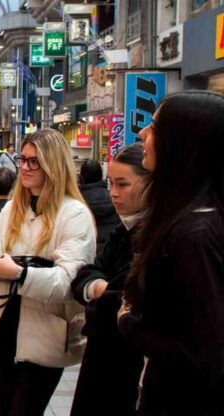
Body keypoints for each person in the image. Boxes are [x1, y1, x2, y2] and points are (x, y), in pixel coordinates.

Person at [0, 128, 96, 416]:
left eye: (33, 161)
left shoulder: (73, 214)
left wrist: (20, 275)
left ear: (53, 164)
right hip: (4, 324)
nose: (23, 167)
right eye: (22, 159)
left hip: (44, 331)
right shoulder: (14, 206)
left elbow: (70, 281)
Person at [118, 91, 224, 414]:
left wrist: (129, 323)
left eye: (154, 127)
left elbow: (203, 353)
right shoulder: (193, 219)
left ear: (182, 142)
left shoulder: (193, 235)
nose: (142, 134)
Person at [69, 143, 149, 415]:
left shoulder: (161, 237)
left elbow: (130, 298)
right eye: (111, 183)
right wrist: (98, 288)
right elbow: (85, 275)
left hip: (129, 364)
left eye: (123, 184)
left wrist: (100, 294)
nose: (113, 192)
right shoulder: (124, 228)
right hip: (103, 356)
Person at [78, 160, 121, 255]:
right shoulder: (114, 197)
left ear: (81, 178)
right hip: (110, 252)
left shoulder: (76, 201)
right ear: (102, 176)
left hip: (85, 253)